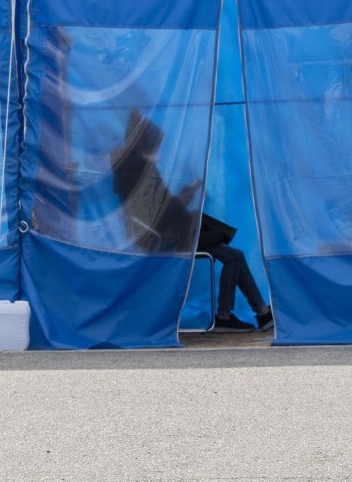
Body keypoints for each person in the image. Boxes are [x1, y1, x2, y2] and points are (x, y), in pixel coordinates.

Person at [110, 111, 273, 332]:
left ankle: (261, 313)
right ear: (145, 144)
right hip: (164, 237)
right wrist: (187, 195)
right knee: (234, 256)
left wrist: (188, 192)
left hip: (167, 231)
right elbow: (161, 210)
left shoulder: (132, 170)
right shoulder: (139, 171)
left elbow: (161, 207)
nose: (158, 151)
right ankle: (229, 316)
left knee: (233, 255)